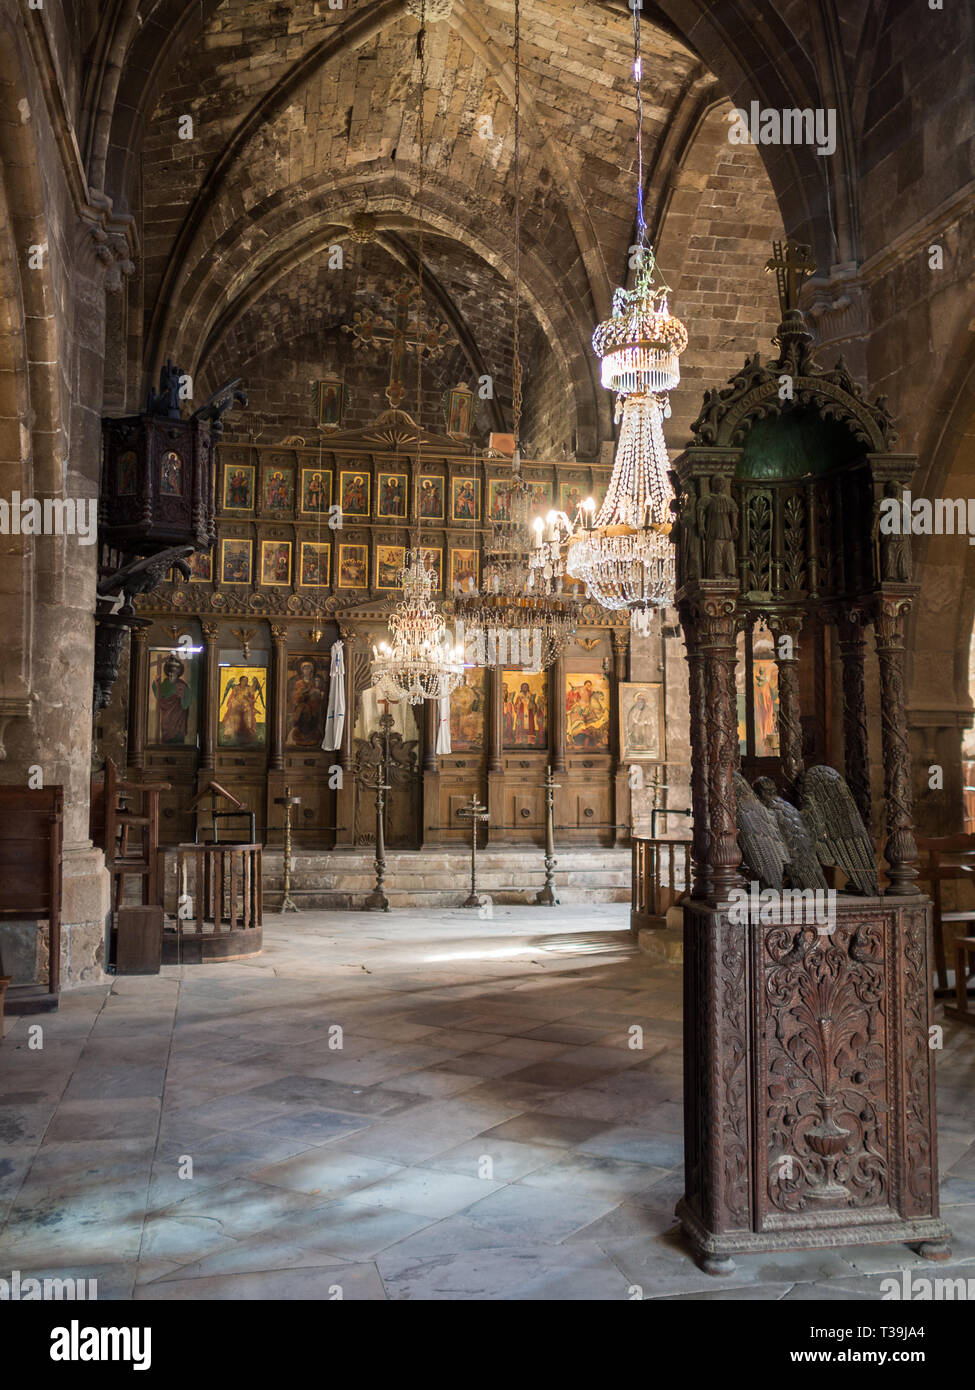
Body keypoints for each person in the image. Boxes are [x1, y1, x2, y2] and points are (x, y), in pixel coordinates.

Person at [153, 655, 192, 744]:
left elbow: (185, 704)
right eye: (170, 673)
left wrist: (183, 696)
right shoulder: (165, 683)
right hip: (166, 723)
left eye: (173, 673)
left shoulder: (182, 686)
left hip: (178, 723)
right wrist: (156, 683)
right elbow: (160, 697)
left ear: (178, 673)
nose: (171, 675)